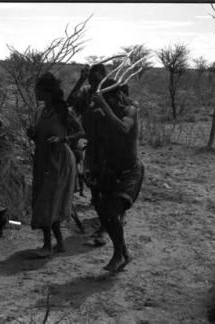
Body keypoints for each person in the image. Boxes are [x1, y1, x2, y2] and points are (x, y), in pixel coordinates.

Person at [90, 79, 144, 272]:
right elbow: (96, 141)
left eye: (110, 100)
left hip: (130, 172)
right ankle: (124, 253)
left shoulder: (130, 111)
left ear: (118, 96)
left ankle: (117, 255)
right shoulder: (102, 114)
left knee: (113, 212)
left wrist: (104, 106)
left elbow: (123, 129)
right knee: (103, 211)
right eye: (106, 101)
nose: (108, 105)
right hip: (110, 170)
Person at [27, 72, 84, 258]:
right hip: (43, 159)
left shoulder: (63, 112)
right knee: (47, 200)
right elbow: (40, 136)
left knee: (48, 201)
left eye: (39, 89)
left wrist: (63, 139)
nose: (36, 92)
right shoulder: (42, 112)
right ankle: (58, 243)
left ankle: (47, 245)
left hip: (59, 161)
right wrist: (33, 135)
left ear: (47, 92)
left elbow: (81, 132)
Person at [67, 64, 108, 246]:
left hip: (108, 146)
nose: (92, 81)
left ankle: (105, 227)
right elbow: (69, 103)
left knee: (107, 185)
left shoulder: (109, 92)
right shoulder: (86, 92)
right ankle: (104, 221)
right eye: (90, 78)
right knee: (94, 183)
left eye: (95, 78)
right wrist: (80, 80)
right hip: (92, 145)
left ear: (103, 77)